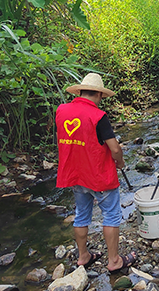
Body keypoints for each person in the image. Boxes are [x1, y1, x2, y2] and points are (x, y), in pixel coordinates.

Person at [55, 73, 137, 273]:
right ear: (99, 95)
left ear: (80, 91)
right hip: (98, 176)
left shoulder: (61, 110)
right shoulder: (98, 116)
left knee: (81, 215)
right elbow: (115, 148)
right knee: (111, 216)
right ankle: (114, 261)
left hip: (75, 174)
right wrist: (120, 162)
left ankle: (83, 256)